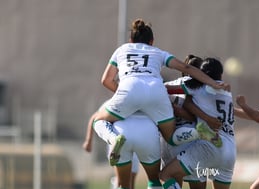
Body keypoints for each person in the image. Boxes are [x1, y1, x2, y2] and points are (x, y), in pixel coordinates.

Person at [92, 19, 226, 166]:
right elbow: (185, 68)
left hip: (129, 89)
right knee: (170, 137)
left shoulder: (122, 50)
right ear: (152, 41)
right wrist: (212, 83)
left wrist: (128, 96)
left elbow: (106, 80)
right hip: (156, 91)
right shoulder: (158, 53)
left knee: (98, 119)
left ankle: (113, 139)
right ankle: (198, 132)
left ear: (131, 40)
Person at [158, 57, 239, 189]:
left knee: (166, 175)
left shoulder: (196, 86)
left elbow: (164, 89)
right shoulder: (226, 91)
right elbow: (190, 105)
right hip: (230, 150)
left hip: (209, 145)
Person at [83, 102, 162, 189]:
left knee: (130, 180)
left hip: (129, 139)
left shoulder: (141, 99)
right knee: (124, 180)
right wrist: (88, 140)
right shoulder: (115, 100)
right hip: (119, 140)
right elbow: (96, 117)